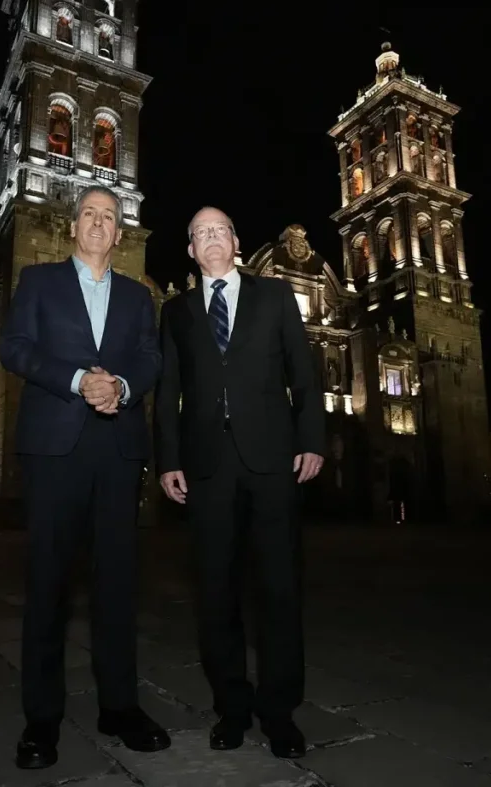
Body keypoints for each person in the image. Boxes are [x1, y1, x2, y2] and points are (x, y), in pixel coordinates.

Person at [0, 185, 168, 770]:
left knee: (117, 585)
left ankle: (119, 708)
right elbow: (14, 348)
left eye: (110, 217)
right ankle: (41, 721)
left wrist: (121, 387)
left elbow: (150, 358)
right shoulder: (38, 283)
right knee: (48, 583)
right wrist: (78, 381)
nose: (99, 223)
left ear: (120, 235)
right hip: (55, 448)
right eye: (90, 215)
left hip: (118, 450)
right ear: (75, 227)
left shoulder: (137, 296)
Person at [154, 206, 325, 759]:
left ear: (235, 240)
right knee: (216, 592)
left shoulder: (274, 296)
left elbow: (303, 371)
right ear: (189, 250)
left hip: (273, 459)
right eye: (198, 233)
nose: (209, 239)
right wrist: (167, 458)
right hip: (207, 465)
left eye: (218, 230)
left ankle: (279, 713)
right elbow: (168, 389)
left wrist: (313, 440)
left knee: (278, 588)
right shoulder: (177, 311)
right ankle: (231, 708)